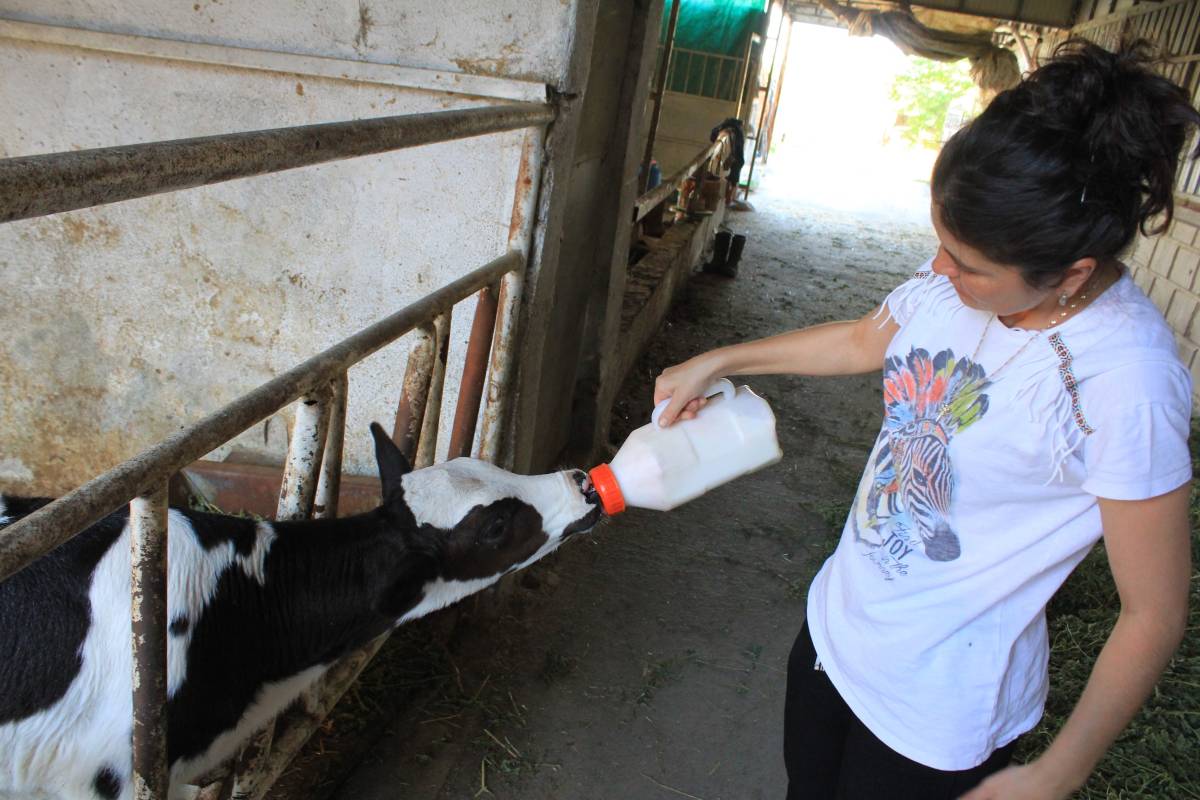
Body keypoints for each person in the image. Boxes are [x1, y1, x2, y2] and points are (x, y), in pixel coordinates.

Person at [653, 39, 1198, 799]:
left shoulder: (1125, 382)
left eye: (968, 264)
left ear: (1070, 273)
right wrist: (723, 360)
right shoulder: (960, 278)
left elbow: (1153, 613)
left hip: (935, 714)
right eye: (941, 245)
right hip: (837, 631)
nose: (941, 273)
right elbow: (861, 340)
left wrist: (1054, 775)